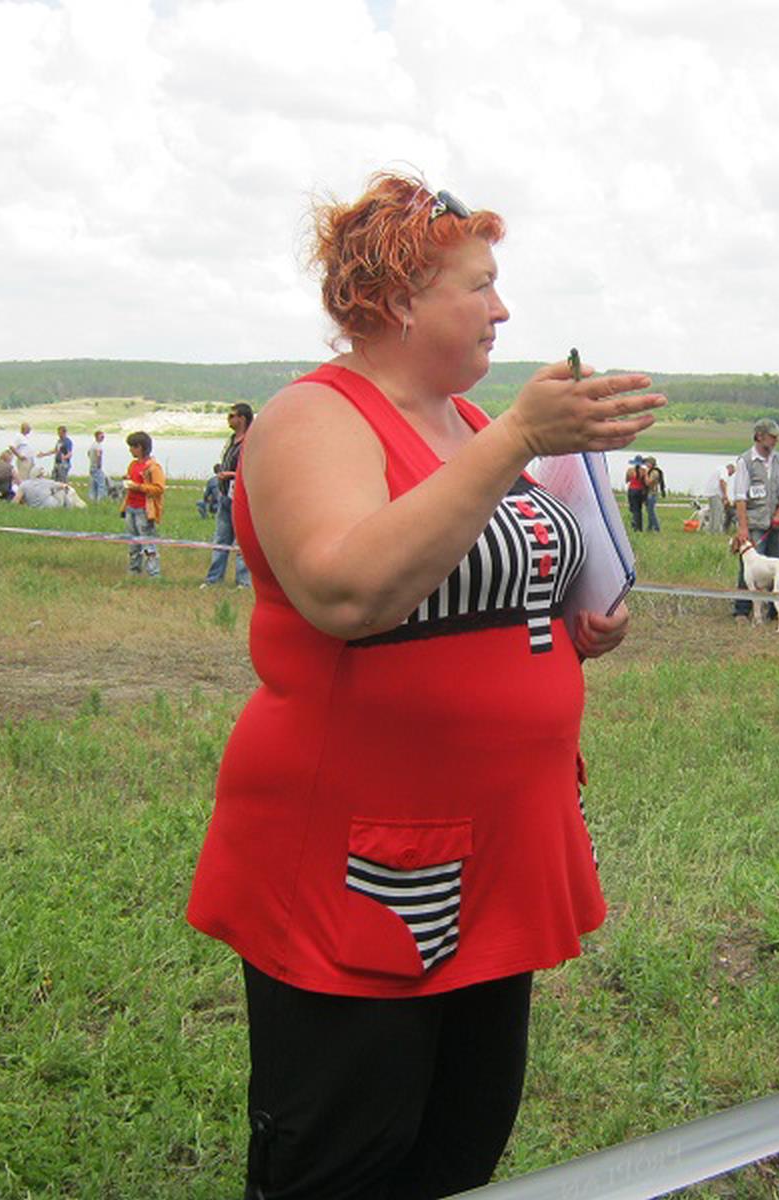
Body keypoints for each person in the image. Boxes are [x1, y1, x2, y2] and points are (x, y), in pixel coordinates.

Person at [184, 171, 663, 1200]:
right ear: (400, 299)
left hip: (496, 847)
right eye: (480, 286)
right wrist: (519, 440)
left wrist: (571, 624)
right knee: (344, 1158)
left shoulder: (466, 420)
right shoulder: (314, 419)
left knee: (460, 1146)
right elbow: (347, 589)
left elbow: (465, 588)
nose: (503, 309)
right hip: (367, 859)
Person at [730, 418, 779, 619]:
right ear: (759, 436)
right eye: (772, 436)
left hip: (776, 524)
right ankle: (742, 610)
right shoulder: (745, 461)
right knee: (749, 567)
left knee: (776, 565)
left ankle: (774, 610)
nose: (775, 440)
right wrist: (743, 528)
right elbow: (740, 497)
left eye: (777, 437)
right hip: (754, 522)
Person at [201, 403, 253, 589]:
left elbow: (252, 470)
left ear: (242, 419)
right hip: (224, 495)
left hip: (241, 499)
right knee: (221, 539)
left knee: (242, 542)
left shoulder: (251, 441)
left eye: (232, 416)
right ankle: (213, 579)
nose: (228, 419)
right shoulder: (231, 440)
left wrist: (231, 474)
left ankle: (243, 581)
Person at [121, 431, 164, 578]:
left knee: (148, 542)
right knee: (133, 542)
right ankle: (134, 570)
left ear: (140, 447)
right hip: (130, 508)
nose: (130, 450)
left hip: (144, 510)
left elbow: (159, 488)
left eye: (132, 447)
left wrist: (138, 487)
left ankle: (154, 573)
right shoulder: (132, 465)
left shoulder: (153, 467)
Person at [641, 456, 665, 532]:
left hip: (652, 494)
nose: (645, 464)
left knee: (651, 512)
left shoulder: (654, 472)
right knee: (649, 511)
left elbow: (648, 483)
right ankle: (649, 527)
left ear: (651, 463)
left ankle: (657, 528)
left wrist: (645, 474)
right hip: (648, 493)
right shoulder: (650, 471)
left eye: (647, 463)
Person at [624, 455, 646, 531]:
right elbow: (645, 482)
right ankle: (639, 526)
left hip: (632, 490)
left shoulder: (630, 470)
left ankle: (634, 524)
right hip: (640, 491)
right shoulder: (644, 471)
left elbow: (627, 480)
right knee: (639, 509)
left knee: (633, 508)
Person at [88, 430, 108, 501]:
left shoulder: (93, 445)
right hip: (96, 467)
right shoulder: (98, 446)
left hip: (92, 466)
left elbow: (88, 453)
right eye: (101, 436)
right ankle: (100, 499)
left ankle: (92, 498)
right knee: (101, 483)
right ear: (97, 437)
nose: (103, 438)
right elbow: (98, 455)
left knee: (93, 483)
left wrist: (92, 460)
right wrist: (99, 464)